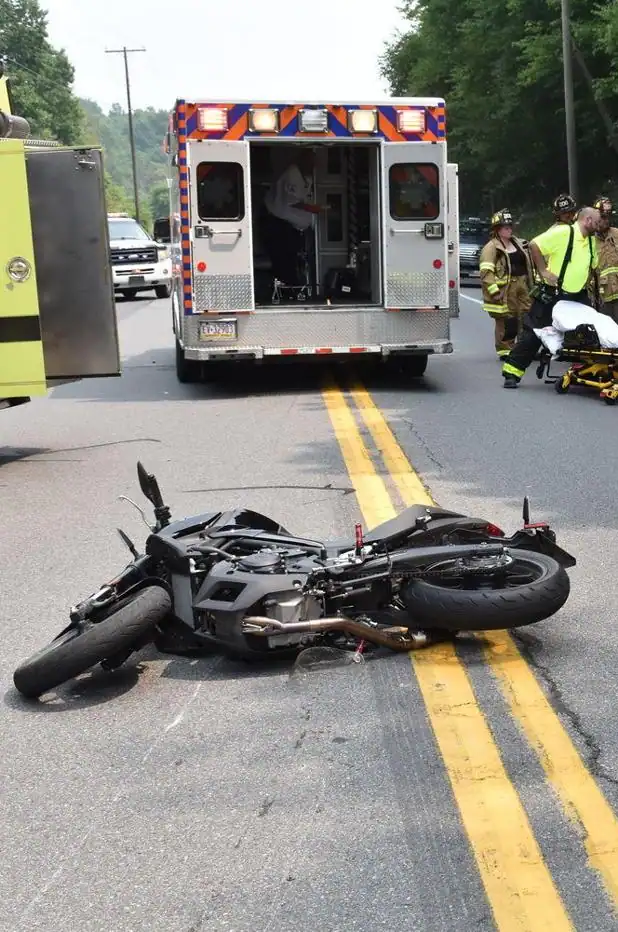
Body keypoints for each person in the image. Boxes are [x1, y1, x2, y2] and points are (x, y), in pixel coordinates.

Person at [501, 206, 601, 389]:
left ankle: (587, 372)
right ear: (587, 220)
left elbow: (592, 266)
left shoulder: (592, 241)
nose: (599, 225)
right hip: (553, 293)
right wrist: (543, 270)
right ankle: (512, 373)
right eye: (597, 221)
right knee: (534, 333)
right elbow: (534, 245)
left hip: (577, 295)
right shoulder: (564, 233)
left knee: (588, 333)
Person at [261, 150, 326, 288]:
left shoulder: (306, 177)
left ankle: (292, 287)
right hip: (277, 223)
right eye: (312, 161)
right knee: (283, 259)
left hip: (292, 227)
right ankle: (286, 290)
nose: (314, 165)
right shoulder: (292, 174)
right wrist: (313, 209)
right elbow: (293, 201)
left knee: (292, 258)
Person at [479, 209, 534, 360]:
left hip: (522, 285)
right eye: (506, 227)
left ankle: (523, 348)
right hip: (505, 289)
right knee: (506, 320)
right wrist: (494, 291)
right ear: (497, 230)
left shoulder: (519, 243)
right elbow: (486, 272)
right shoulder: (491, 248)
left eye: (510, 226)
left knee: (526, 316)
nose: (510, 229)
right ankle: (505, 350)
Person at [593, 195, 618, 323]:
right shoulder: (590, 241)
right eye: (603, 217)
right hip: (602, 299)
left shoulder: (617, 234)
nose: (606, 221)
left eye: (608, 217)